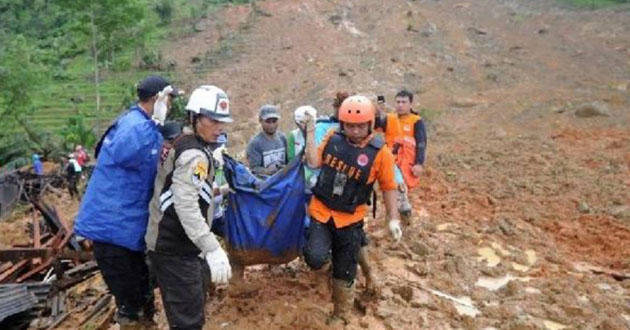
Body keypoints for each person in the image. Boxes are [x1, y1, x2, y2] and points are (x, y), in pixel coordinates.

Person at [73, 75, 178, 329]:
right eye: (170, 100)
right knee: (131, 306)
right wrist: (154, 123)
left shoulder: (145, 126)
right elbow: (124, 152)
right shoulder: (135, 125)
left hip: (127, 229)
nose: (172, 105)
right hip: (112, 229)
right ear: (158, 99)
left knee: (143, 297)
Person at [303, 95, 403, 325]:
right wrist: (309, 131)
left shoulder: (380, 153)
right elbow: (313, 162)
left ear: (370, 124)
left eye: (360, 126)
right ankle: (325, 273)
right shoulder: (332, 138)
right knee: (315, 257)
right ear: (341, 124)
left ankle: (341, 313)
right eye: (349, 125)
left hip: (351, 218)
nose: (355, 131)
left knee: (345, 270)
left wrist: (393, 219)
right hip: (321, 211)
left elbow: (388, 187)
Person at [145, 85, 232, 330]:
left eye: (222, 122)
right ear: (195, 117)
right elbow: (186, 205)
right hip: (174, 246)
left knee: (196, 291)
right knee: (188, 320)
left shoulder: (185, 140)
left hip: (172, 241)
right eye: (213, 121)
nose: (219, 127)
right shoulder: (195, 156)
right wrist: (212, 247)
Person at [375, 89, 427, 190]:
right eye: (398, 102)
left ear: (410, 104)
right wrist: (377, 114)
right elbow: (376, 127)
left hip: (407, 165)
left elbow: (421, 144)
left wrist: (419, 163)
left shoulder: (416, 121)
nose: (400, 105)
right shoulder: (389, 118)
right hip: (389, 162)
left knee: (403, 192)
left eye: (404, 102)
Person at [246, 105, 288, 177]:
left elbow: (288, 161)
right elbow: (253, 169)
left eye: (274, 121)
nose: (271, 125)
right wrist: (267, 171)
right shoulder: (255, 143)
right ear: (260, 121)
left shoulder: (283, 138)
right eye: (268, 122)